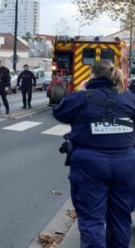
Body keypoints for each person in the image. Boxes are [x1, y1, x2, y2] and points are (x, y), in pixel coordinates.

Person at [53, 61, 135, 248]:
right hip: (126, 164)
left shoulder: (83, 97)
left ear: (92, 76)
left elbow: (60, 112)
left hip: (89, 165)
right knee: (121, 219)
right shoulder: (129, 98)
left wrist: (81, 91)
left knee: (92, 220)